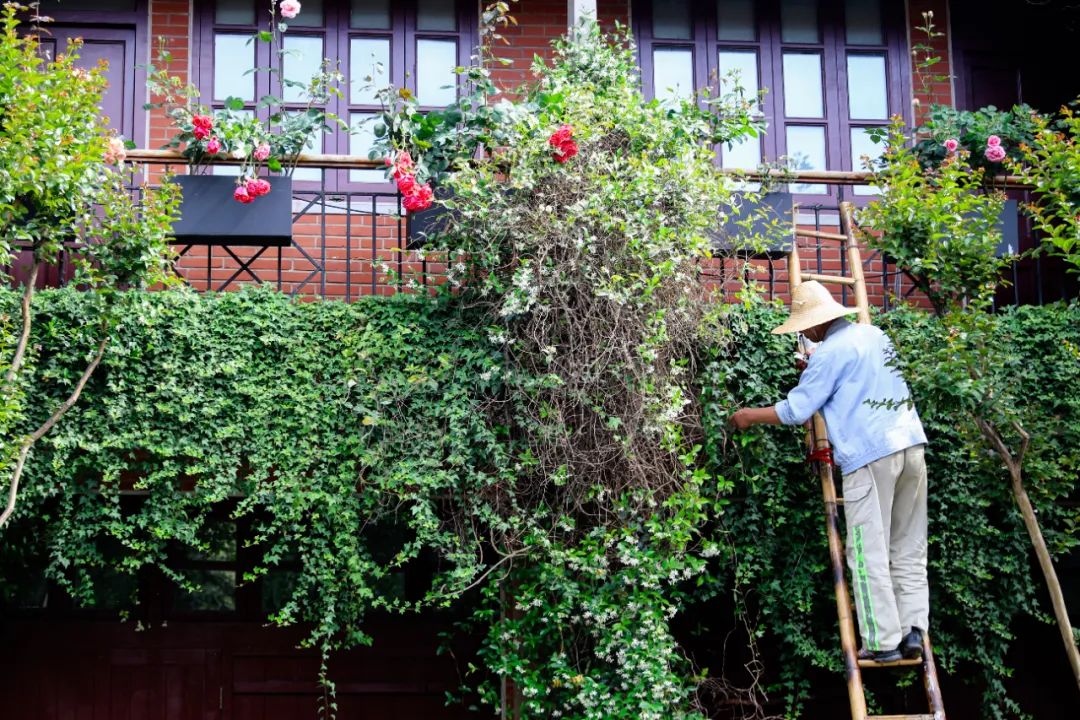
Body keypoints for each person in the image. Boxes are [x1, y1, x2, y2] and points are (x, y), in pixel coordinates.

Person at [728, 281, 929, 663]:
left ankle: (884, 643)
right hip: (912, 446)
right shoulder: (875, 334)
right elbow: (863, 383)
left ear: (818, 325)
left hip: (871, 456)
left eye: (804, 326)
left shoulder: (827, 355)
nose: (802, 332)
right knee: (907, 543)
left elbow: (795, 411)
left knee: (866, 552)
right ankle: (913, 630)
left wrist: (748, 417)